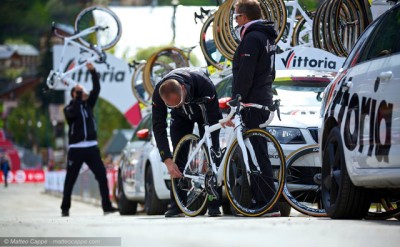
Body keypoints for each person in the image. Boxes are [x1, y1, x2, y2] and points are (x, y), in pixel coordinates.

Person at [152, 67, 223, 217]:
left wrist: (207, 154)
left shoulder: (203, 84)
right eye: (171, 105)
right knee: (178, 158)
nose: (176, 106)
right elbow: (158, 127)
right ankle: (177, 205)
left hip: (203, 111)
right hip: (180, 118)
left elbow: (213, 117)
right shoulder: (159, 91)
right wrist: (167, 160)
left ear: (183, 89)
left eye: (178, 102)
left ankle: (214, 203)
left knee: (211, 156)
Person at [232, 0, 280, 217]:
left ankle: (265, 203)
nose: (235, 22)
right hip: (263, 98)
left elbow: (246, 72)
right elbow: (271, 71)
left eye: (235, 17)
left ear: (244, 17)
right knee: (258, 152)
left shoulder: (252, 38)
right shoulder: (267, 36)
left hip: (252, 102)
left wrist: (237, 97)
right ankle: (263, 201)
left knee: (256, 154)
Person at [61, 63, 118, 217]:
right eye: (80, 92)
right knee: (70, 179)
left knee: (101, 175)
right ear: (74, 94)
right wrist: (78, 96)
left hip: (91, 147)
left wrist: (92, 71)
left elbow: (97, 89)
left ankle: (107, 206)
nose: (84, 93)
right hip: (76, 149)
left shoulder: (88, 105)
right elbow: (73, 113)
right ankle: (65, 208)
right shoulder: (69, 108)